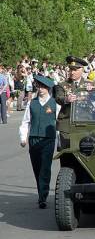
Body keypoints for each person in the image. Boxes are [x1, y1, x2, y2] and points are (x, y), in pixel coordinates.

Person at [19, 75, 61, 209]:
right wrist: (23, 137)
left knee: (45, 168)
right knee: (37, 168)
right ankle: (41, 192)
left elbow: (59, 124)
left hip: (48, 139)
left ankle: (43, 197)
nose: (41, 89)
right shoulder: (32, 103)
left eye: (43, 87)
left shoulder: (55, 103)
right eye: (39, 86)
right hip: (34, 139)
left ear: (48, 88)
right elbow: (25, 122)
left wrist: (60, 142)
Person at [53, 56, 90, 150]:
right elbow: (58, 98)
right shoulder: (62, 85)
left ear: (82, 70)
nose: (72, 72)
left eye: (75, 70)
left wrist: (93, 93)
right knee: (66, 153)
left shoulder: (90, 85)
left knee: (85, 153)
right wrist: (66, 99)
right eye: (70, 69)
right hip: (66, 124)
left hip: (84, 123)